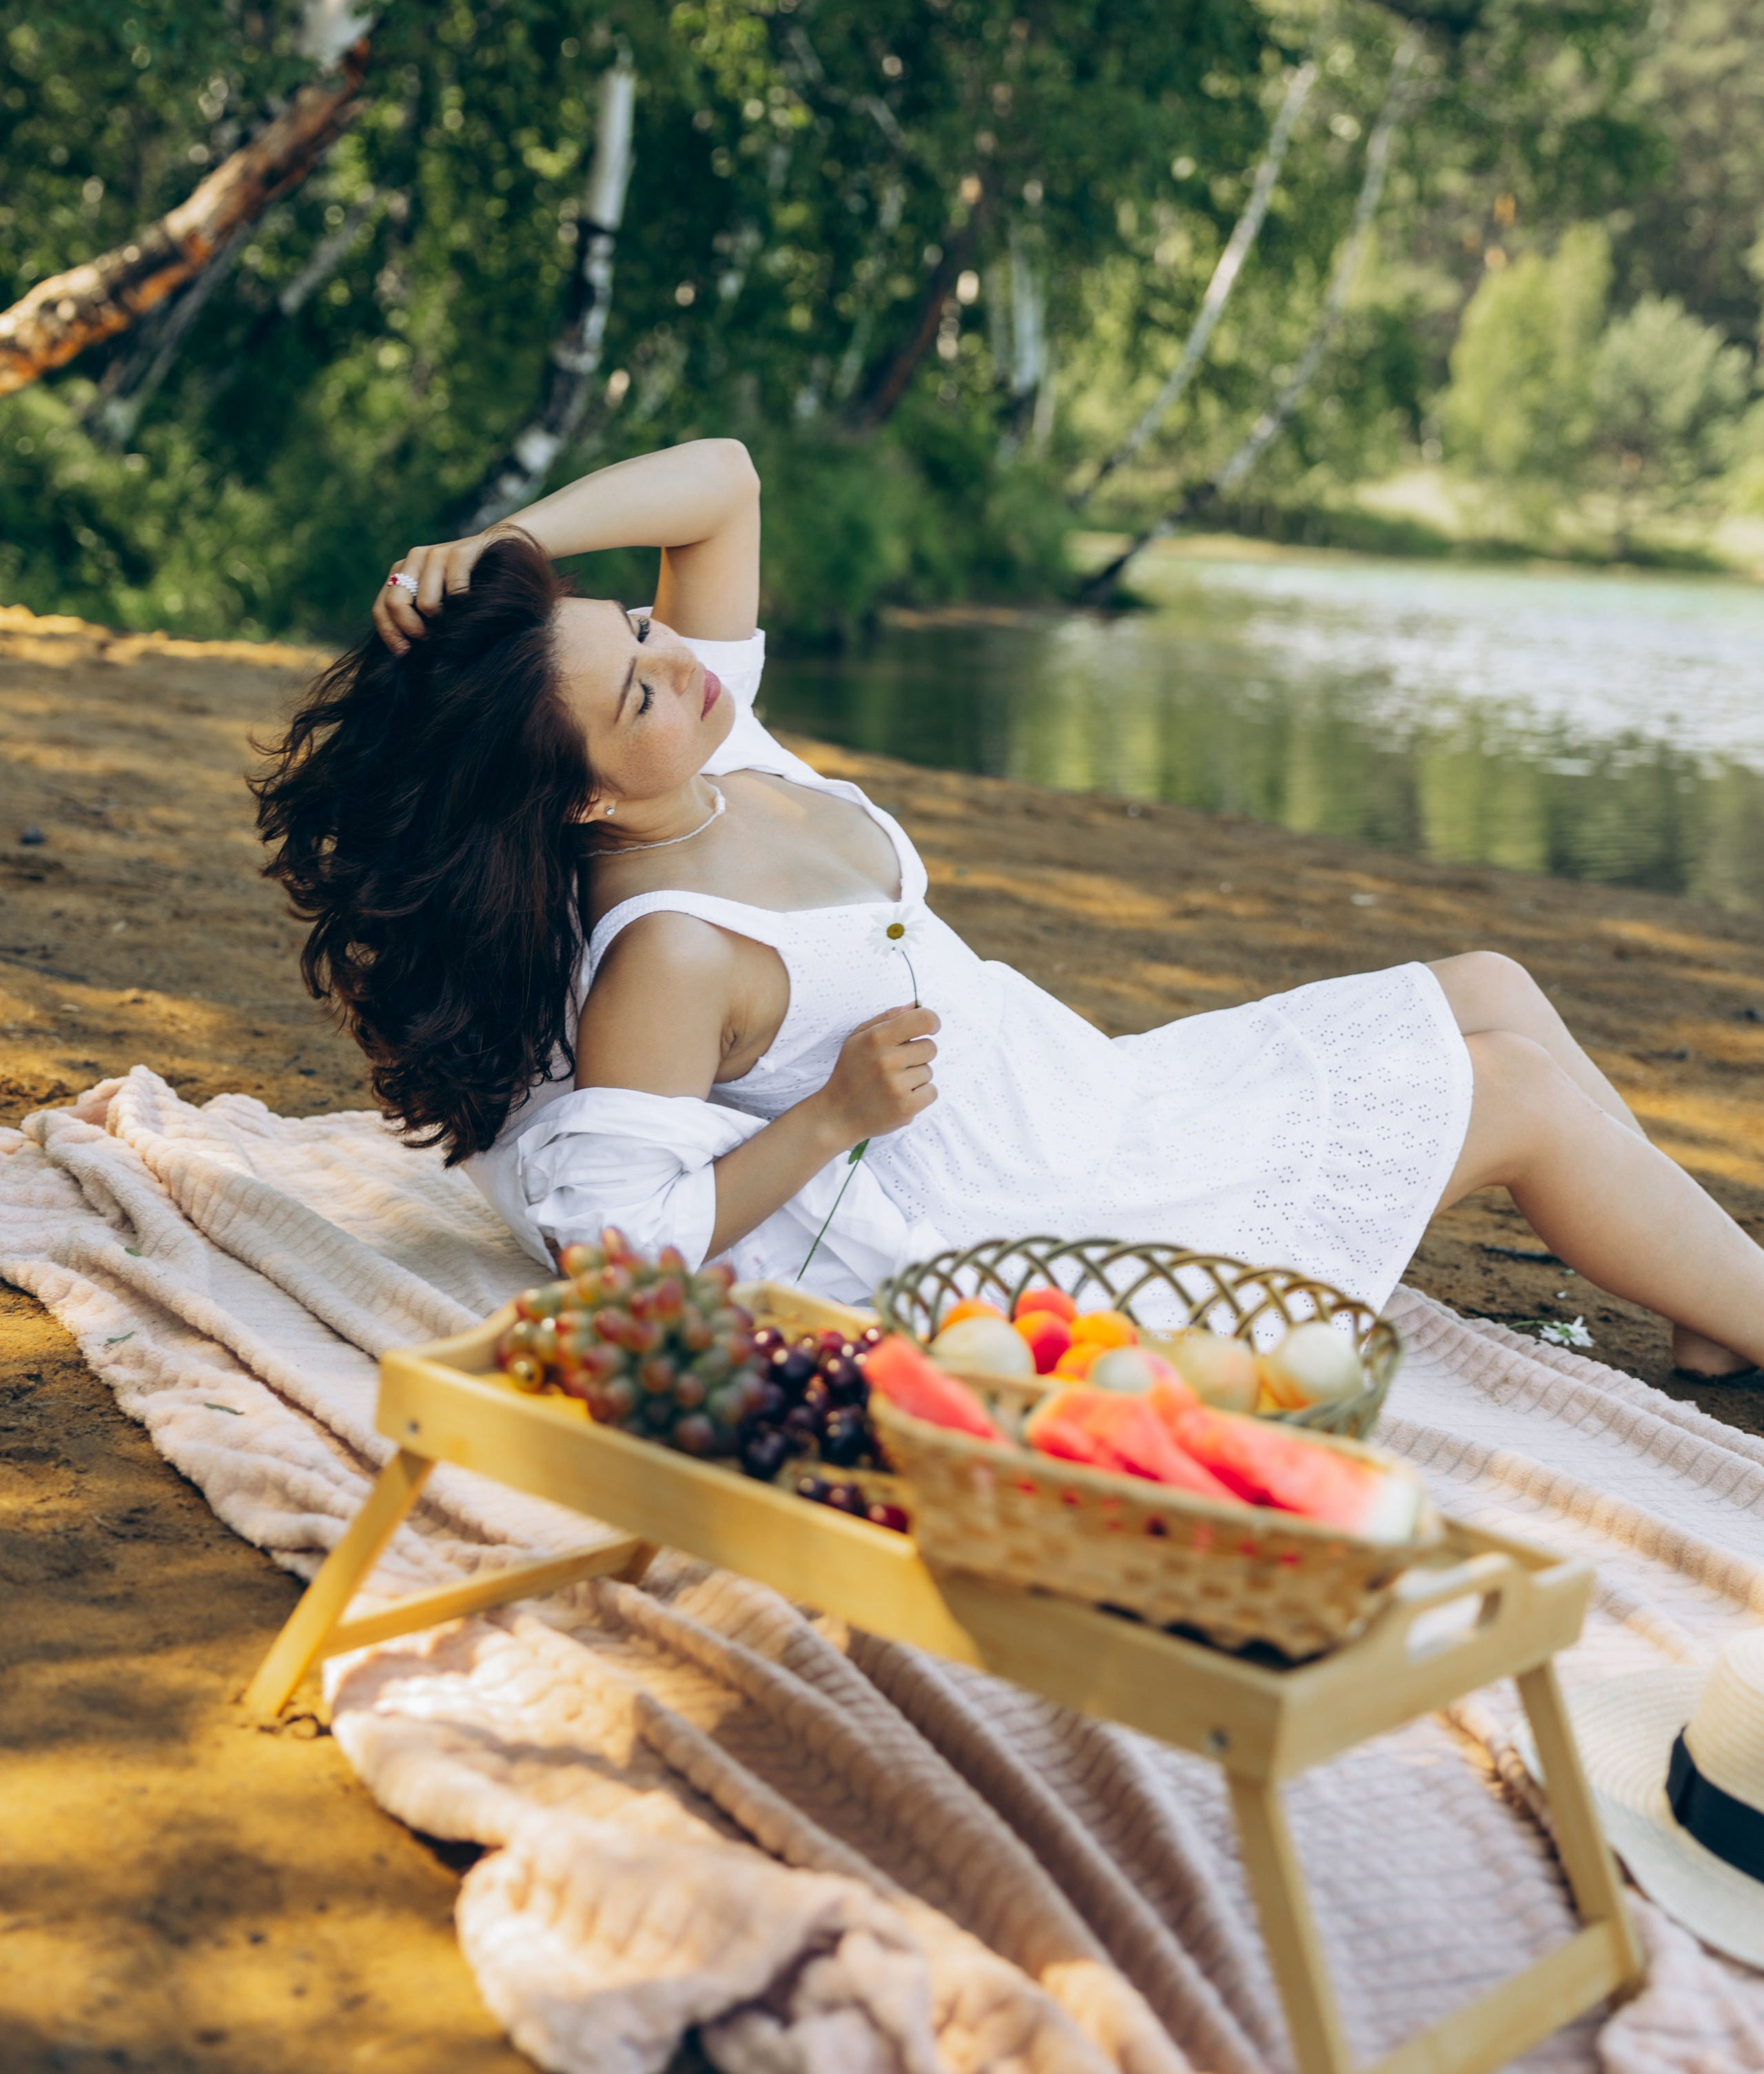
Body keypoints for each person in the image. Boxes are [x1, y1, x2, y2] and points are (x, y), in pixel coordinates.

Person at [254, 438, 1764, 1377]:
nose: (681, 659)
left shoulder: (717, 748)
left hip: (1092, 1098)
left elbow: (723, 475)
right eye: (637, 684)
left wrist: (505, 546)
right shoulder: (668, 948)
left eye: (642, 624)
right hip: (1045, 1218)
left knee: (1487, 981)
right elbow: (622, 1246)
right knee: (1508, 1095)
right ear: (579, 799)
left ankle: (1705, 1301)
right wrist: (828, 1115)